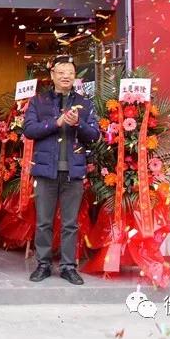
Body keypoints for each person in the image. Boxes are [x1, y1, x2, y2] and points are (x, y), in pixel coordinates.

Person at [24, 55, 100, 285]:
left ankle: (68, 266)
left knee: (70, 223)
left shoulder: (85, 104)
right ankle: (43, 264)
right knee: (44, 221)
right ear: (52, 75)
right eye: (61, 71)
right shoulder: (38, 102)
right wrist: (55, 123)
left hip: (73, 172)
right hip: (45, 171)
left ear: (75, 76)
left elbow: (94, 135)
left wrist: (78, 123)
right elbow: (29, 130)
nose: (66, 76)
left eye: (70, 72)